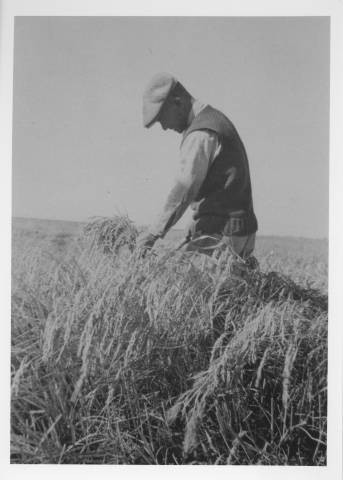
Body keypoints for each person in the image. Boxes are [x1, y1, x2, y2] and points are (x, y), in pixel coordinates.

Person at [138, 72, 258, 261]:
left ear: (177, 102)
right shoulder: (214, 120)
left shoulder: (201, 133)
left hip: (222, 234)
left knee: (182, 285)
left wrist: (153, 233)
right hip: (236, 229)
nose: (164, 127)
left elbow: (183, 190)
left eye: (162, 118)